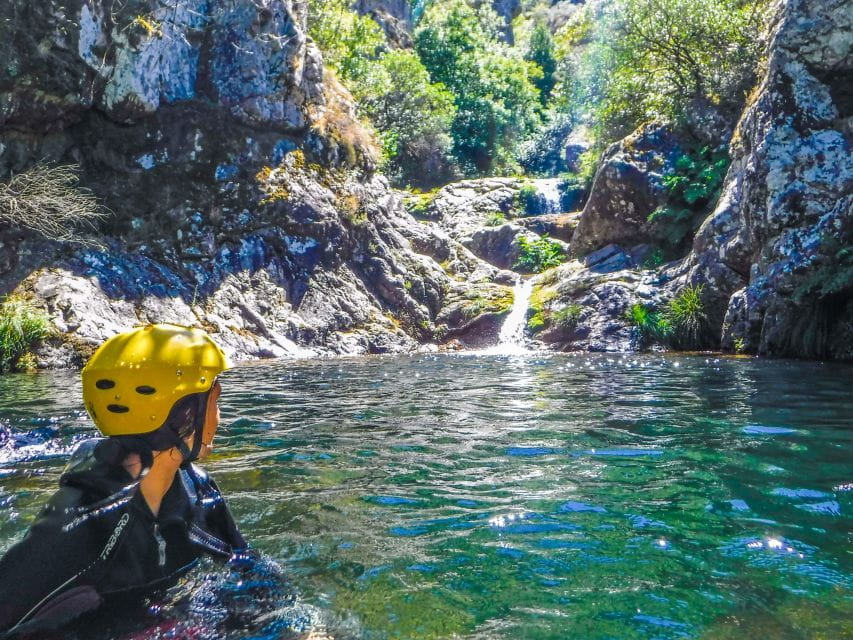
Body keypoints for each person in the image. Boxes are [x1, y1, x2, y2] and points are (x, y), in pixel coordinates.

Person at [0, 324, 247, 637]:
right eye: (214, 401)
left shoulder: (198, 488)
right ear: (184, 415)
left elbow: (248, 568)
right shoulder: (78, 526)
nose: (219, 416)